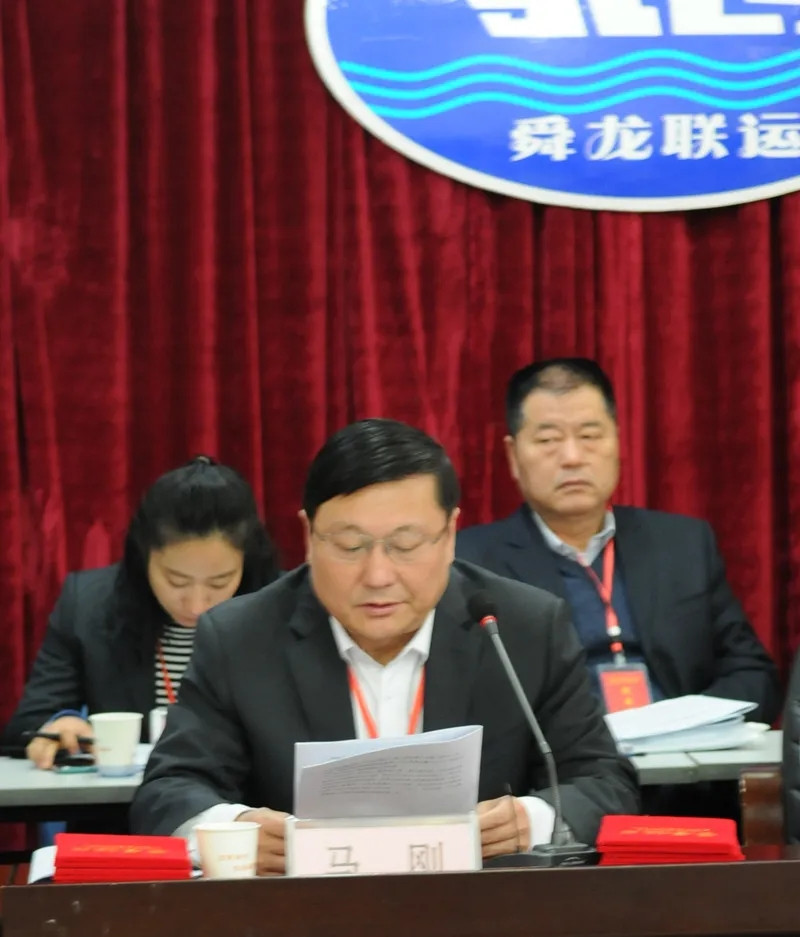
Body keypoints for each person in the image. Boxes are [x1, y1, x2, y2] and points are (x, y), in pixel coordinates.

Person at [130, 418, 639, 873]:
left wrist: (532, 818)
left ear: (450, 534)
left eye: (405, 545)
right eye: (350, 546)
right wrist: (235, 829)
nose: (378, 575)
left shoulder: (521, 627)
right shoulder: (241, 637)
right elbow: (168, 792)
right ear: (309, 535)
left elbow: (605, 782)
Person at [456, 358, 780, 725]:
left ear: (617, 441)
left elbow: (753, 674)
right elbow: (467, 699)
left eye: (590, 436)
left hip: (684, 753)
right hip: (567, 758)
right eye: (548, 440)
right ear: (513, 456)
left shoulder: (683, 545)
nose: (572, 457)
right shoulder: (472, 564)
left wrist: (690, 722)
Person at [2, 456, 281, 770]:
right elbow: (27, 724)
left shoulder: (282, 610)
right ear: (144, 556)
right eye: (176, 581)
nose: (197, 605)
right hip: (127, 798)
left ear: (247, 563)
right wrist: (60, 724)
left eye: (220, 582)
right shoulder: (89, 606)